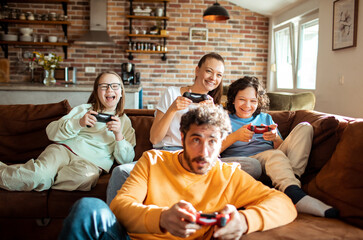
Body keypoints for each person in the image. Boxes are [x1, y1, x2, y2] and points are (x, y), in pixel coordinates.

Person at [59, 104, 297, 240]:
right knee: (87, 208)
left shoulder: (230, 176)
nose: (204, 151)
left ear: (222, 141)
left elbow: (284, 203)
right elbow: (120, 207)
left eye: (213, 141)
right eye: (196, 139)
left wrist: (245, 221)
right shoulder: (153, 160)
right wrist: (161, 218)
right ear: (182, 138)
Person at [106, 53, 261, 205]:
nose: (213, 78)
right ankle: (112, 227)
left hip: (198, 157)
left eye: (219, 75)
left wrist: (212, 115)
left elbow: (216, 148)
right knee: (120, 172)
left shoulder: (215, 106)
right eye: (209, 71)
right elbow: (154, 138)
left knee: (253, 166)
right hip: (168, 154)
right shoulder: (172, 94)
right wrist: (172, 109)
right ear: (197, 70)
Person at [220, 76, 339, 218]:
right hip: (246, 162)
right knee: (265, 159)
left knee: (305, 127)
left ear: (258, 103)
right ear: (233, 99)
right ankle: (294, 193)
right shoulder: (223, 118)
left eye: (253, 101)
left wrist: (275, 137)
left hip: (273, 163)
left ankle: (292, 185)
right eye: (242, 99)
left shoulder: (266, 118)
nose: (247, 105)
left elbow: (284, 151)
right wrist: (235, 136)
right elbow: (211, 151)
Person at [0, 71, 136, 191]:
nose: (109, 89)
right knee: (38, 175)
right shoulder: (84, 109)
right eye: (104, 86)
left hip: (91, 164)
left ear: (121, 92)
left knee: (85, 178)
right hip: (63, 150)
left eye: (115, 86)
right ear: (96, 92)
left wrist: (119, 135)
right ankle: (39, 177)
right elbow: (51, 132)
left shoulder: (125, 122)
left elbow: (127, 160)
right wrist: (78, 123)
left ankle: (43, 179)